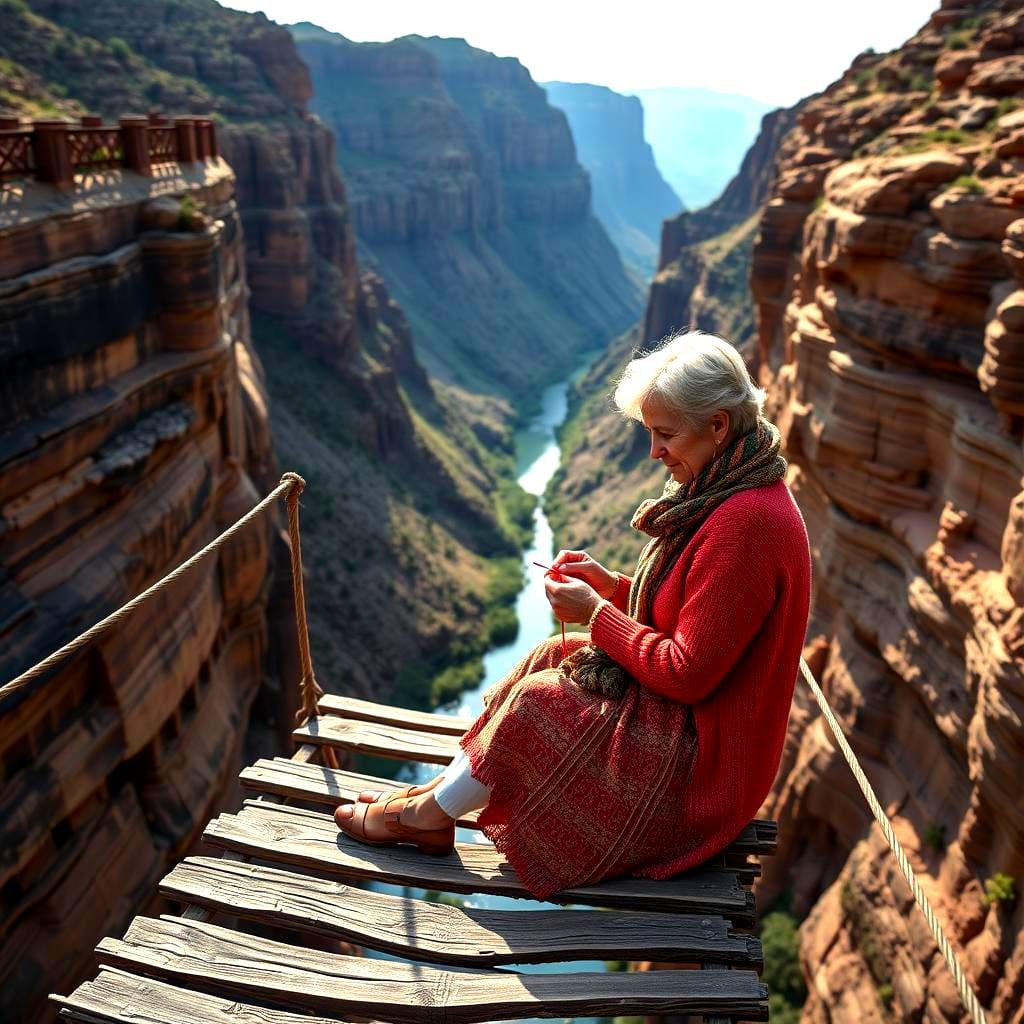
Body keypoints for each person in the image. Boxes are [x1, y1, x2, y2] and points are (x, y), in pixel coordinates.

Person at [335, 330, 812, 900]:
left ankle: (427, 815)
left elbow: (689, 672)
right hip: (695, 725)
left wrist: (599, 612)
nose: (654, 452)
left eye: (665, 435)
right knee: (550, 654)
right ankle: (433, 801)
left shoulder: (747, 522)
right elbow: (703, 614)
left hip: (703, 773)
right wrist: (611, 585)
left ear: (718, 425)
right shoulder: (732, 485)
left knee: (541, 701)